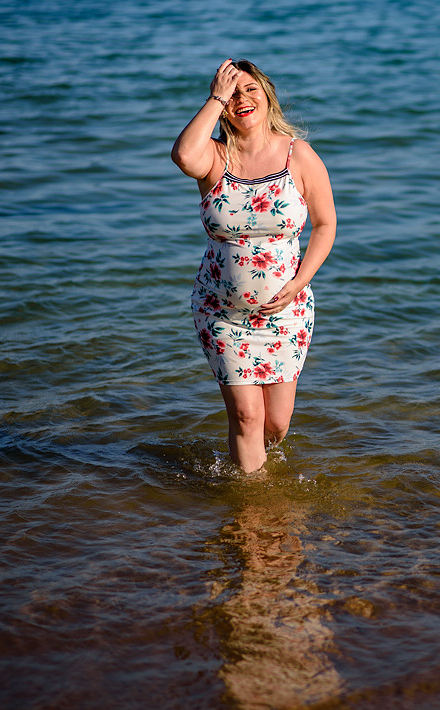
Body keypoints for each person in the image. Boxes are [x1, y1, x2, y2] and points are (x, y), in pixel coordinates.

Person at [171, 59, 336, 474]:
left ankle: (257, 470)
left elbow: (325, 224)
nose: (242, 100)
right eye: (233, 93)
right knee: (247, 417)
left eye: (250, 91)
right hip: (221, 312)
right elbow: (182, 155)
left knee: (275, 424)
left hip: (286, 311)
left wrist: (301, 282)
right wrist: (215, 97)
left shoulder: (298, 155)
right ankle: (252, 510)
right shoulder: (214, 155)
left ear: (268, 96)